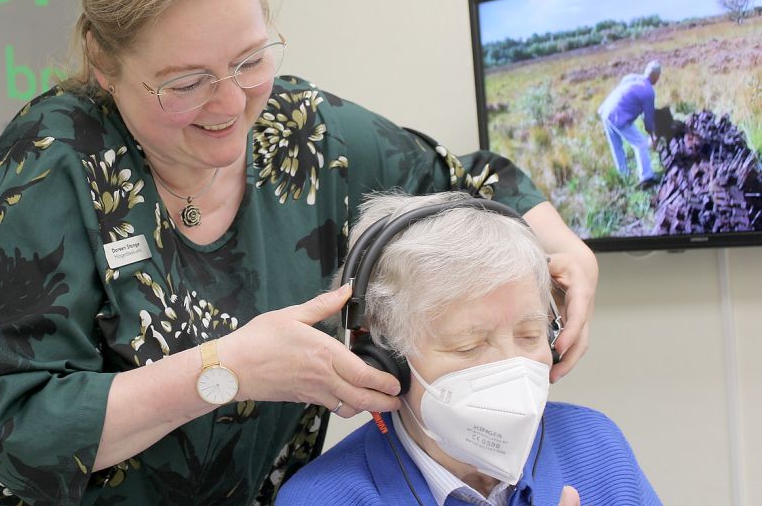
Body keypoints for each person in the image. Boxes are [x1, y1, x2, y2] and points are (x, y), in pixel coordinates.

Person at [0, 0, 599, 505]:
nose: (230, 102)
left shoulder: (302, 133)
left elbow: (467, 177)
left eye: (250, 60)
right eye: (185, 82)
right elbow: (8, 423)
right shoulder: (48, 170)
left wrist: (562, 247)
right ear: (104, 63)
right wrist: (224, 371)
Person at [277, 192, 660, 506]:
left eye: (530, 335)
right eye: (469, 345)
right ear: (385, 360)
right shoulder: (321, 498)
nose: (512, 366)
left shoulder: (597, 445)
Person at [598, 60, 662, 189]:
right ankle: (646, 177)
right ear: (656, 77)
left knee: (616, 147)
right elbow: (648, 120)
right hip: (618, 116)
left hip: (606, 111)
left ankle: (624, 177)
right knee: (641, 143)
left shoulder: (632, 77)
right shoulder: (648, 92)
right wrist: (653, 137)